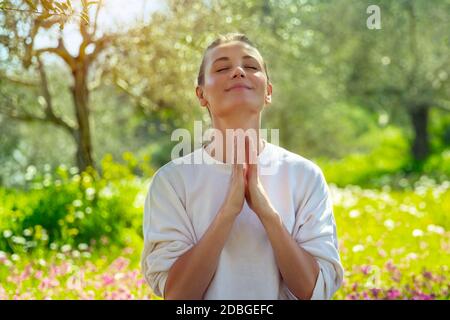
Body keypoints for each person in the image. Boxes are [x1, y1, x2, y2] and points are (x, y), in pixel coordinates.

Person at [141, 33, 344, 300]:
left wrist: (267, 214)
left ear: (268, 92)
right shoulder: (171, 182)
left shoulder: (305, 176)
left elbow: (313, 290)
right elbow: (177, 295)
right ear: (201, 94)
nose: (238, 72)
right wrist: (228, 212)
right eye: (223, 68)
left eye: (251, 67)